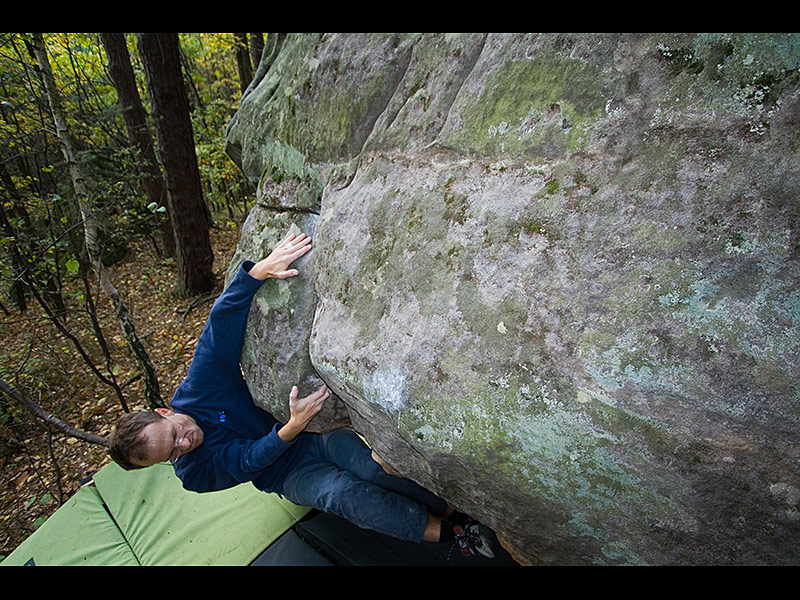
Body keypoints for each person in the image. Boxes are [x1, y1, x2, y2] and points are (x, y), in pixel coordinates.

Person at [108, 231, 498, 559]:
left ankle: (450, 508)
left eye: (173, 433)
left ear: (164, 410)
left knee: (368, 466)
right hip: (285, 470)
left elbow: (216, 332)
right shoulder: (194, 474)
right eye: (172, 453)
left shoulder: (198, 392)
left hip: (308, 434)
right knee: (341, 494)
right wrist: (288, 429)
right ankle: (452, 536)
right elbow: (244, 461)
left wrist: (257, 272)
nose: (184, 443)